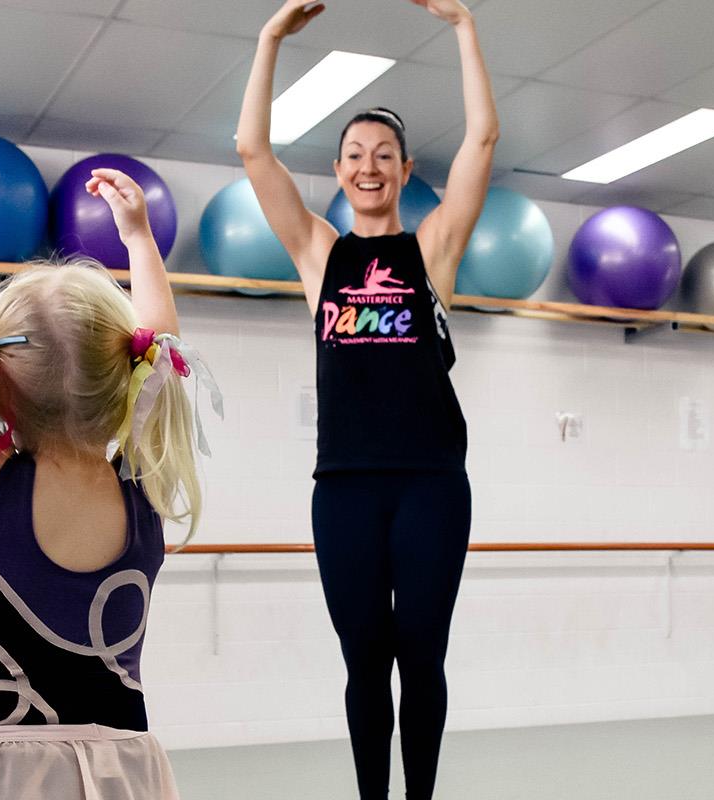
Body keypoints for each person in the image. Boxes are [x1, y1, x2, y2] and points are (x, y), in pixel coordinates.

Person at [0, 133, 219, 800]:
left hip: (11, 775)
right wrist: (140, 238)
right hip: (126, 771)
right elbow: (163, 344)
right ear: (131, 379)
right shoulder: (142, 482)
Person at [237, 1, 499, 796]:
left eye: (385, 152)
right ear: (342, 170)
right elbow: (252, 149)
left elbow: (483, 139)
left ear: (405, 169)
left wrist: (463, 28)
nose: (369, 164)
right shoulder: (320, 252)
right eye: (354, 153)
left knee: (422, 656)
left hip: (429, 483)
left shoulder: (433, 248)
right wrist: (269, 38)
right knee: (364, 663)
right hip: (345, 488)